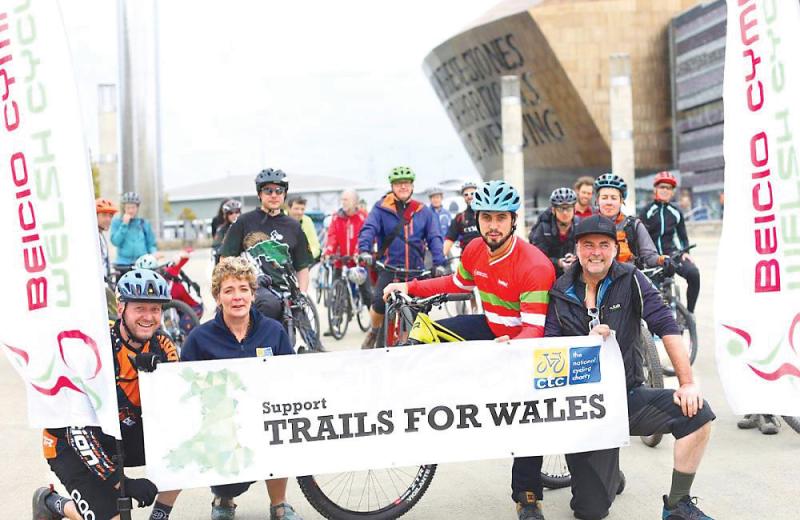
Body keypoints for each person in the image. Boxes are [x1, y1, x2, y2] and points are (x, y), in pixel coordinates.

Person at [381, 180, 556, 520]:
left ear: (513, 220)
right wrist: (410, 287)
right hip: (491, 326)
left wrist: (511, 345)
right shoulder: (476, 248)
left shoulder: (534, 265)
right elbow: (457, 283)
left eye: (500, 218)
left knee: (529, 418)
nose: (492, 226)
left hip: (523, 343)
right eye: (486, 217)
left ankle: (528, 496)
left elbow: (534, 328)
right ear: (477, 219)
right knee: (426, 333)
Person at [543, 215, 714, 520]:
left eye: (604, 245)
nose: (596, 252)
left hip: (628, 397)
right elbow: (548, 357)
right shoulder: (559, 291)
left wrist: (686, 382)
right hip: (584, 410)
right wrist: (586, 344)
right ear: (577, 249)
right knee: (590, 511)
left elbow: (665, 324)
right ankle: (609, 475)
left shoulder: (631, 278)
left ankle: (676, 505)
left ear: (614, 248)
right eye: (588, 245)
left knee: (697, 413)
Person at [33, 269, 181, 520]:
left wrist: (159, 378)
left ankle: (159, 517)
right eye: (140, 309)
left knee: (186, 444)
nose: (149, 317)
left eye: (155, 309)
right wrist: (121, 482)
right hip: (70, 442)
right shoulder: (96, 349)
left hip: (120, 434)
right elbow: (78, 431)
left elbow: (179, 408)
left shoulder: (163, 346)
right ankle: (52, 503)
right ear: (121, 308)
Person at [181, 257, 301, 520]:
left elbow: (292, 376)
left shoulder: (273, 330)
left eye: (243, 289)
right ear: (217, 296)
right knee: (229, 479)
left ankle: (279, 504)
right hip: (222, 428)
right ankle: (224, 497)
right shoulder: (200, 339)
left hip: (266, 417)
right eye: (229, 290)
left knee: (282, 431)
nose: (237, 297)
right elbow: (183, 388)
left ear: (252, 293)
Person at [357, 166, 447, 349]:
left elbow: (434, 237)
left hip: (416, 271)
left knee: (420, 312)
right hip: (391, 268)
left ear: (412, 186)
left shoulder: (423, 211)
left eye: (406, 183)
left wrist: (439, 263)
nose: (403, 187)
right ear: (392, 186)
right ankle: (374, 331)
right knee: (378, 304)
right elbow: (369, 229)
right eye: (399, 184)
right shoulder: (381, 208)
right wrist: (364, 250)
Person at [219, 168, 314, 322]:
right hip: (255, 290)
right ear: (259, 194)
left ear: (284, 194)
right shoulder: (244, 222)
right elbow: (225, 260)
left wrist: (302, 293)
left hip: (287, 291)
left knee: (300, 327)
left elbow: (302, 266)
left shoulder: (294, 226)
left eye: (279, 190)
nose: (274, 195)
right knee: (269, 306)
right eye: (268, 190)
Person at [639, 171, 700, 314]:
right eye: (662, 187)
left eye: (669, 188)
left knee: (694, 274)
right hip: (652, 257)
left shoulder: (676, 212)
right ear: (655, 189)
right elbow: (639, 236)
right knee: (653, 294)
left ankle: (689, 314)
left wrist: (685, 252)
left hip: (672, 255)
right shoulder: (646, 211)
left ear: (672, 192)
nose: (665, 190)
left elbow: (683, 237)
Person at [593, 173, 665, 269]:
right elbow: (579, 258)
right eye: (604, 197)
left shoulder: (634, 225)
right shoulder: (588, 225)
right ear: (597, 200)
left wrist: (662, 260)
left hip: (628, 279)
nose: (609, 202)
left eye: (614, 198)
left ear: (621, 201)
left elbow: (649, 256)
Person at [323, 189, 370, 301]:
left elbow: (365, 237)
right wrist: (328, 252)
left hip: (358, 261)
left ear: (355, 202)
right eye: (342, 199)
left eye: (346, 200)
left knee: (367, 294)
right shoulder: (336, 217)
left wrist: (358, 252)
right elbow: (332, 236)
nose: (343, 202)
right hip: (341, 260)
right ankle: (336, 314)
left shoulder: (363, 217)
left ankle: (372, 316)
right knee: (336, 290)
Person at [529, 187, 578, 276]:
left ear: (574, 210)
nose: (565, 213)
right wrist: (558, 262)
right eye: (560, 208)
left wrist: (577, 259)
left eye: (569, 208)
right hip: (549, 274)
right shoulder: (543, 229)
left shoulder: (580, 225)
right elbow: (537, 257)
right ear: (553, 210)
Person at [110, 191, 158, 270]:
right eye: (128, 208)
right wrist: (124, 224)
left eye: (133, 207)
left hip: (142, 264)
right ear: (124, 208)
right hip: (123, 264)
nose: (131, 210)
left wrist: (154, 254)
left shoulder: (144, 223)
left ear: (137, 208)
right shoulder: (117, 222)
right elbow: (115, 241)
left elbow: (151, 244)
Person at [443, 181, 480, 257]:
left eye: (472, 193)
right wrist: (441, 257)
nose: (469, 196)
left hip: (486, 258)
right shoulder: (459, 217)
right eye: (466, 195)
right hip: (467, 259)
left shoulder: (487, 214)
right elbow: (449, 239)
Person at [286, 196, 321, 261]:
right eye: (296, 209)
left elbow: (315, 245)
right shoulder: (280, 219)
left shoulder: (307, 221)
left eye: (302, 209)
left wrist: (306, 258)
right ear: (288, 208)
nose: (300, 212)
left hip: (302, 260)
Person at [213, 199, 242, 264]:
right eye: (230, 213)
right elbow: (216, 247)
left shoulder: (246, 226)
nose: (234, 215)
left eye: (237, 212)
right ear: (226, 215)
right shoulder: (221, 230)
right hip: (229, 262)